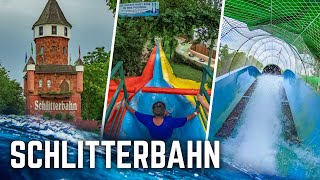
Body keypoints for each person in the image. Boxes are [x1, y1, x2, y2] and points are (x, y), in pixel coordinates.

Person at [125, 101, 199, 140]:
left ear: (152, 111)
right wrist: (196, 113)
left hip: (153, 137)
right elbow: (186, 119)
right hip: (167, 138)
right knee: (170, 115)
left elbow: (135, 112)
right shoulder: (171, 121)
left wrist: (127, 106)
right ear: (164, 112)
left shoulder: (147, 119)